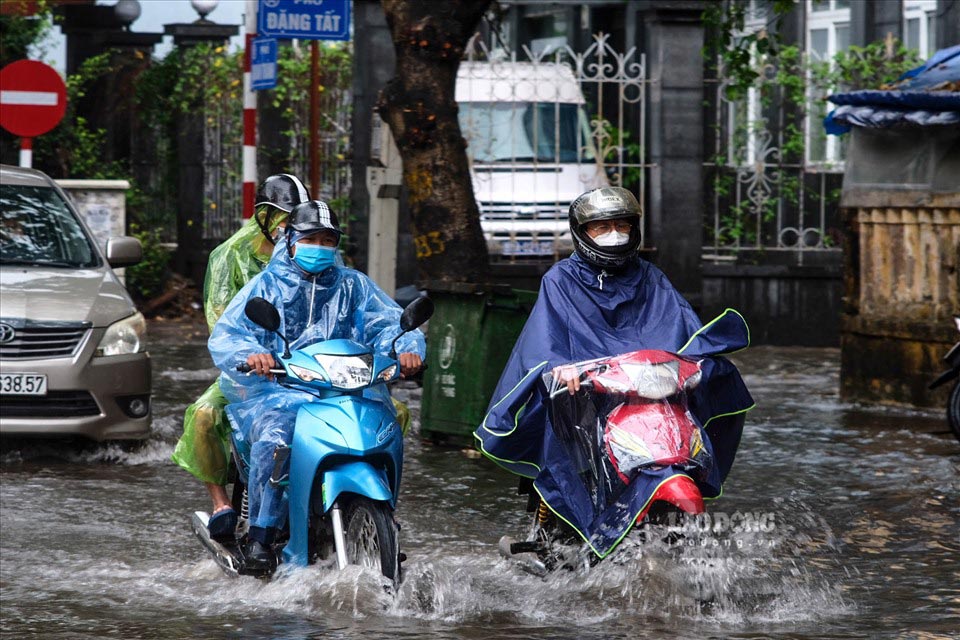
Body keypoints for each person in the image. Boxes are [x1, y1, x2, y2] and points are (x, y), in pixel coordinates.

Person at [474, 186, 754, 555]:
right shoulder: (561, 279)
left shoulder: (652, 278)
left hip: (644, 387)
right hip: (587, 391)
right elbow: (546, 335)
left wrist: (702, 357)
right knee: (556, 427)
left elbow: (682, 328)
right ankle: (555, 528)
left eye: (621, 224)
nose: (614, 233)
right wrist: (561, 368)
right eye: (601, 227)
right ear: (581, 232)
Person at [208, 199, 426, 574]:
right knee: (278, 438)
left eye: (328, 240)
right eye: (312, 239)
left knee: (384, 426)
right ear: (290, 240)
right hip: (281, 388)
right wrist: (255, 355)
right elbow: (230, 334)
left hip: (345, 386)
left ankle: (383, 518)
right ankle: (262, 535)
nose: (320, 247)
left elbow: (387, 323)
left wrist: (406, 347)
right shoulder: (266, 285)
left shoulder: (353, 285)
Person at [171, 174, 311, 542]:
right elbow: (221, 322)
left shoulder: (311, 247)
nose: (287, 227)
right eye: (281, 218)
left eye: (293, 218)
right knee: (203, 416)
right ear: (263, 216)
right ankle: (221, 504)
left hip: (312, 367)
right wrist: (252, 354)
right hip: (251, 370)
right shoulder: (229, 256)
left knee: (385, 413)